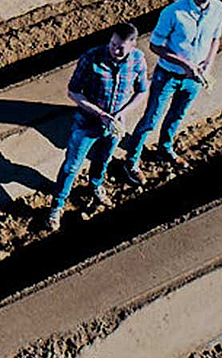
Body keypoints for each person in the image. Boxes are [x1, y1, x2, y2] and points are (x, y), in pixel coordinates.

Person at [124, 0, 222, 184]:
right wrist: (185, 64)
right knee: (151, 119)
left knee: (177, 115)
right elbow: (155, 45)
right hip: (168, 76)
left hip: (194, 78)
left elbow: (215, 39)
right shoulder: (174, 12)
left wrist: (208, 65)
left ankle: (165, 148)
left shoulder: (219, 10)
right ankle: (131, 161)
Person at [44, 22, 147, 230]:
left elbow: (142, 90)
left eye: (120, 47)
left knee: (103, 159)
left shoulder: (137, 60)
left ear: (132, 45)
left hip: (115, 126)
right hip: (87, 124)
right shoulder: (91, 58)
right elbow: (73, 91)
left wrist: (121, 114)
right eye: (113, 44)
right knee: (72, 165)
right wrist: (100, 114)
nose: (115, 50)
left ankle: (96, 186)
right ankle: (57, 205)